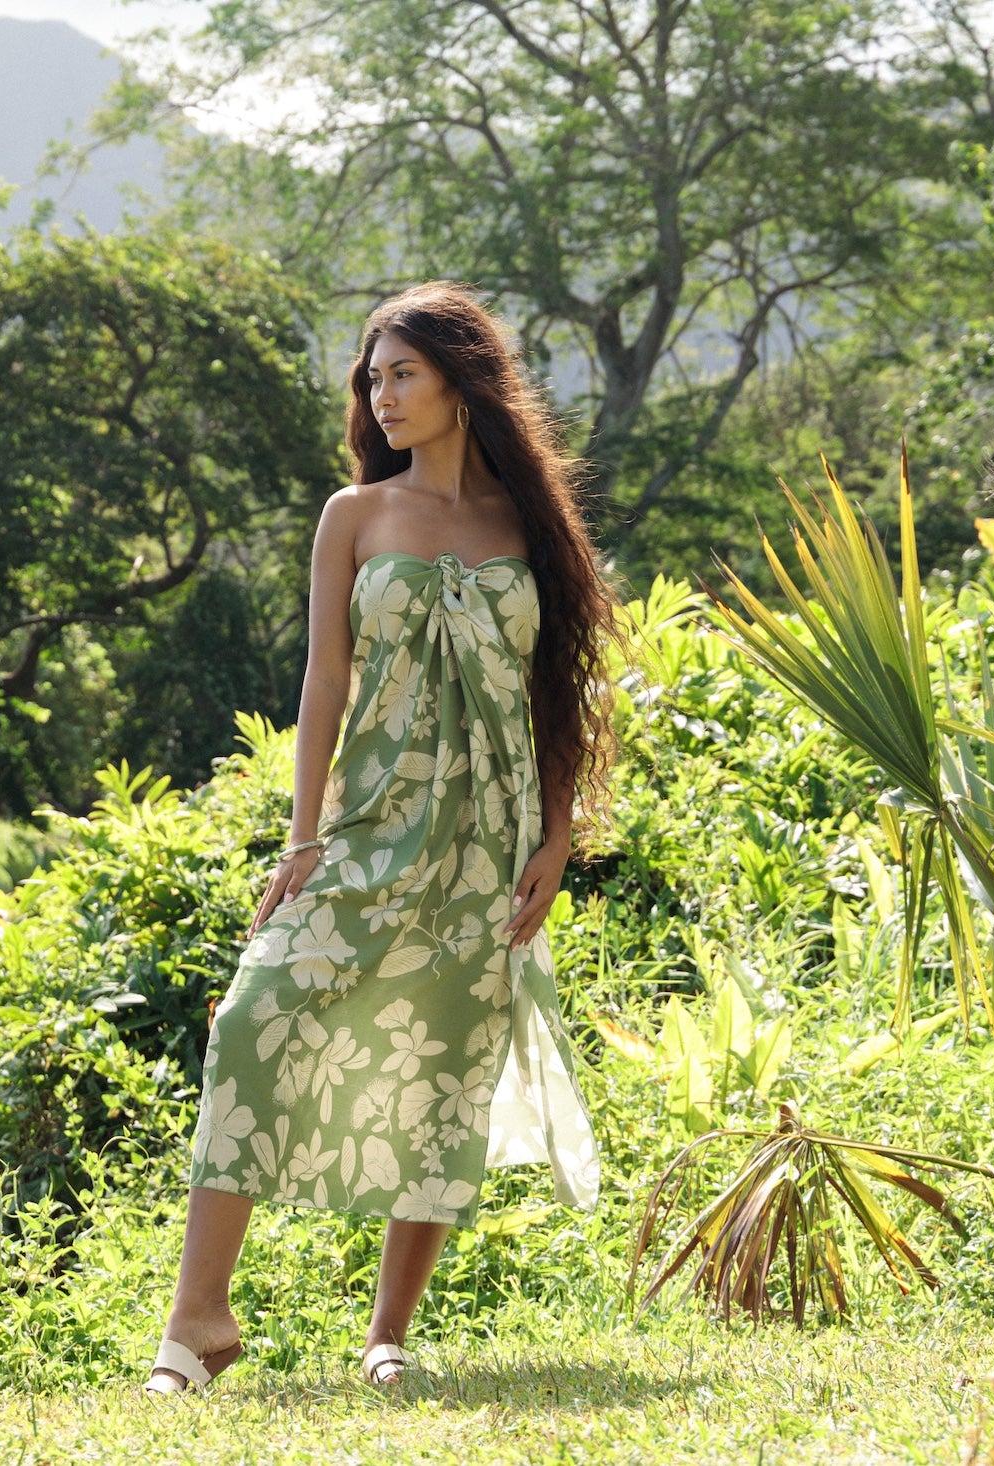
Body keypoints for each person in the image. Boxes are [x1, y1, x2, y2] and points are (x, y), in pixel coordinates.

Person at [144, 281, 621, 1396]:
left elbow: (562, 688)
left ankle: (387, 1335)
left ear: (461, 380)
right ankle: (197, 1318)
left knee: (444, 1067)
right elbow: (324, 681)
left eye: (402, 372)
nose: (382, 393)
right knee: (256, 1013)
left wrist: (557, 832)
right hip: (369, 822)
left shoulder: (527, 523)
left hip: (488, 837)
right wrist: (300, 838)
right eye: (373, 376)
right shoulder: (353, 515)